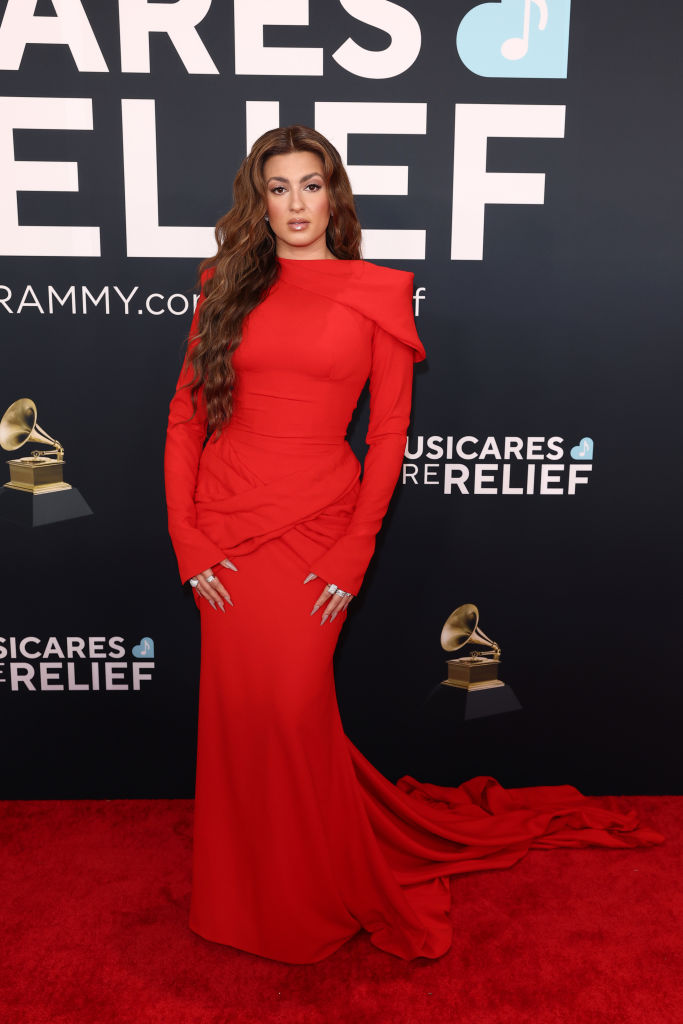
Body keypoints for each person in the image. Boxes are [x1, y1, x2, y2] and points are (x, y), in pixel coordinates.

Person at [163, 125, 663, 964]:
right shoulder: (225, 286)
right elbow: (185, 417)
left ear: (335, 195)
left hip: (319, 528)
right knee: (241, 717)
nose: (294, 204)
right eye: (277, 187)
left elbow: (389, 437)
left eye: (310, 185)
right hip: (224, 526)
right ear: (260, 197)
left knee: (291, 710)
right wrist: (187, 536)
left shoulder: (376, 293)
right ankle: (240, 895)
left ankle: (310, 889)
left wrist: (351, 555)